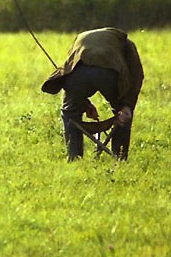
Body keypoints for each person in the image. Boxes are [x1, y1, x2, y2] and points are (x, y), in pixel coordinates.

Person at [41, 27, 144, 161]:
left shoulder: (80, 39)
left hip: (78, 73)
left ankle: (74, 159)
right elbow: (137, 75)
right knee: (122, 114)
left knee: (70, 113)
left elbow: (72, 71)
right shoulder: (127, 43)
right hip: (109, 73)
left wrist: (82, 104)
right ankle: (119, 158)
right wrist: (127, 106)